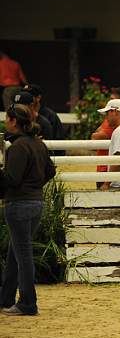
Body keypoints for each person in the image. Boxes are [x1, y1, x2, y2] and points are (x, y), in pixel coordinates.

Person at [0, 104, 56, 316]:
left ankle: (27, 303)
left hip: (19, 204)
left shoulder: (18, 147)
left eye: (7, 119)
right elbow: (50, 171)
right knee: (16, 253)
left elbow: (11, 180)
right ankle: (5, 298)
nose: (6, 122)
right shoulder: (38, 143)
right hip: (35, 203)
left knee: (22, 255)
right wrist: (34, 186)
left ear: (14, 121)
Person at [92, 87, 120, 188]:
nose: (107, 116)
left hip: (108, 171)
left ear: (115, 110)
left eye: (112, 99)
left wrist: (106, 183)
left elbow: (95, 137)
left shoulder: (119, 128)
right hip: (109, 171)